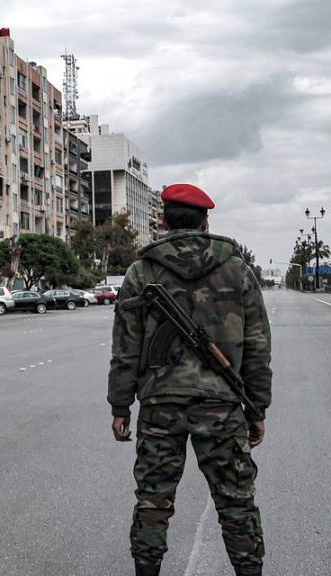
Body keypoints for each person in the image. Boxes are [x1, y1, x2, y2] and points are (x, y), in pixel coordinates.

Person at [109, 184, 272, 576]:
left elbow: (126, 348)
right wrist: (257, 408)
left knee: (153, 501)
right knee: (236, 501)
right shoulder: (237, 270)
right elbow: (257, 346)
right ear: (205, 220)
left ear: (163, 220)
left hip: (160, 406)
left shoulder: (141, 271)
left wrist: (120, 406)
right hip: (221, 406)